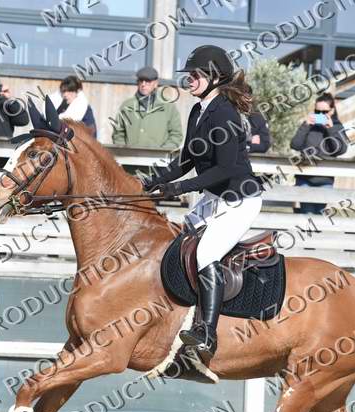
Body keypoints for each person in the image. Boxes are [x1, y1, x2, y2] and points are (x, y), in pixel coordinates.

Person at [141, 45, 263, 363]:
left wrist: (178, 188)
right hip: (215, 198)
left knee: (206, 253)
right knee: (178, 244)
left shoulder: (224, 113)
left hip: (240, 200)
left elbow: (224, 169)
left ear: (215, 78)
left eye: (195, 75)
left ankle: (207, 333)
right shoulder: (198, 111)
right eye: (189, 75)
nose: (190, 80)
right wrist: (151, 183)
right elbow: (186, 160)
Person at [289, 92, 349, 214]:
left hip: (325, 179)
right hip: (305, 177)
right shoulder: (309, 126)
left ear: (332, 111)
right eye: (317, 111)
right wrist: (306, 125)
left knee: (318, 216)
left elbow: (341, 149)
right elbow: (295, 145)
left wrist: (331, 129)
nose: (320, 115)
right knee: (307, 214)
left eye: (324, 112)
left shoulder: (337, 126)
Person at [111, 66, 183, 150]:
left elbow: (176, 135)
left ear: (156, 83)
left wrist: (162, 152)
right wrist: (124, 151)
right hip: (130, 156)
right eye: (141, 81)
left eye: (148, 81)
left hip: (159, 157)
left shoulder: (168, 106)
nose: (143, 84)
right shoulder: (127, 106)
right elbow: (118, 133)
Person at [243, 83, 271, 153]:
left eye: (247, 97)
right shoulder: (228, 116)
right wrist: (250, 140)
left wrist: (247, 147)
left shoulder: (258, 119)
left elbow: (264, 145)